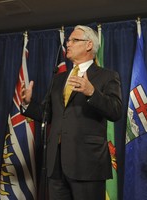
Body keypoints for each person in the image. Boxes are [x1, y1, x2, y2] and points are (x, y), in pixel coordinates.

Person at [20, 25, 122, 200]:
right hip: (56, 162)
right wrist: (28, 104)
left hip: (87, 163)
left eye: (74, 40)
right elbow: (48, 114)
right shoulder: (59, 78)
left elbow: (115, 111)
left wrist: (92, 93)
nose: (68, 43)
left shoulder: (107, 76)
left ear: (89, 45)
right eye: (68, 40)